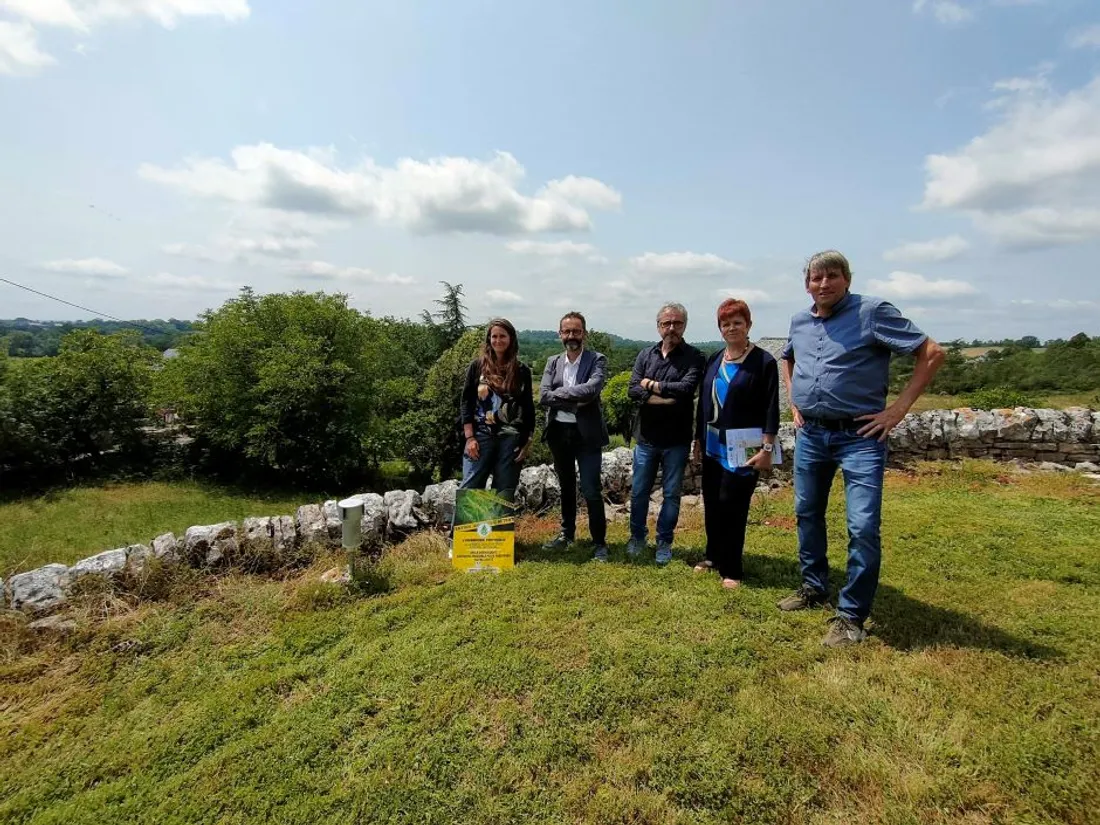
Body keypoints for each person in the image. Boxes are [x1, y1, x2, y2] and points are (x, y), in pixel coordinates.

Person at [779, 250, 945, 647]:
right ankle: (814, 586)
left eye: (831, 276)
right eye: (815, 278)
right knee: (806, 513)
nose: (823, 284)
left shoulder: (872, 312)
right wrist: (794, 400)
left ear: (847, 280)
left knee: (863, 527)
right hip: (812, 435)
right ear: (807, 285)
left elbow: (932, 352)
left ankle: (852, 614)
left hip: (860, 437)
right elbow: (787, 358)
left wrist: (897, 411)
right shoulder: (800, 320)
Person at [692, 298, 780, 589]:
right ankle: (713, 556)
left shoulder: (763, 362)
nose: (731, 328)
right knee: (714, 504)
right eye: (725, 323)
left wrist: (767, 449)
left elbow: (771, 407)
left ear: (748, 325)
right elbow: (704, 404)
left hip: (745, 449)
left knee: (734, 506)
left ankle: (732, 568)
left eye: (737, 322)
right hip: (713, 446)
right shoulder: (716, 359)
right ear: (720, 328)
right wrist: (697, 440)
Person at [627, 302, 705, 564]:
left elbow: (686, 389)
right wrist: (663, 397)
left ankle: (664, 542)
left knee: (671, 494)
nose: (671, 328)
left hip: (677, 440)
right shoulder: (645, 355)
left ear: (684, 325)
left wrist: (651, 385)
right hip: (646, 438)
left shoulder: (695, 357)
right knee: (638, 491)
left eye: (677, 323)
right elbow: (633, 390)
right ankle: (637, 537)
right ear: (658, 326)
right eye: (666, 323)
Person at [539, 312, 610, 561]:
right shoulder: (553, 362)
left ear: (584, 334)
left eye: (576, 331)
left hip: (587, 435)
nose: (571, 336)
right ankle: (566, 534)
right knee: (566, 487)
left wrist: (561, 394)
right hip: (559, 433)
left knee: (591, 488)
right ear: (560, 334)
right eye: (567, 331)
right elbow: (544, 395)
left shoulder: (596, 359)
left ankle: (599, 542)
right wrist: (575, 401)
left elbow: (592, 388)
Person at [459, 318, 536, 501]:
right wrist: (469, 437)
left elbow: (528, 407)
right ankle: (464, 530)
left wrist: (527, 441)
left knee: (504, 490)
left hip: (511, 439)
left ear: (511, 339)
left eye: (503, 336)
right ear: (489, 339)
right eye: (494, 336)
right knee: (471, 488)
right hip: (480, 435)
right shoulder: (477, 367)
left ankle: (496, 531)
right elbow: (466, 403)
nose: (498, 340)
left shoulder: (521, 370)